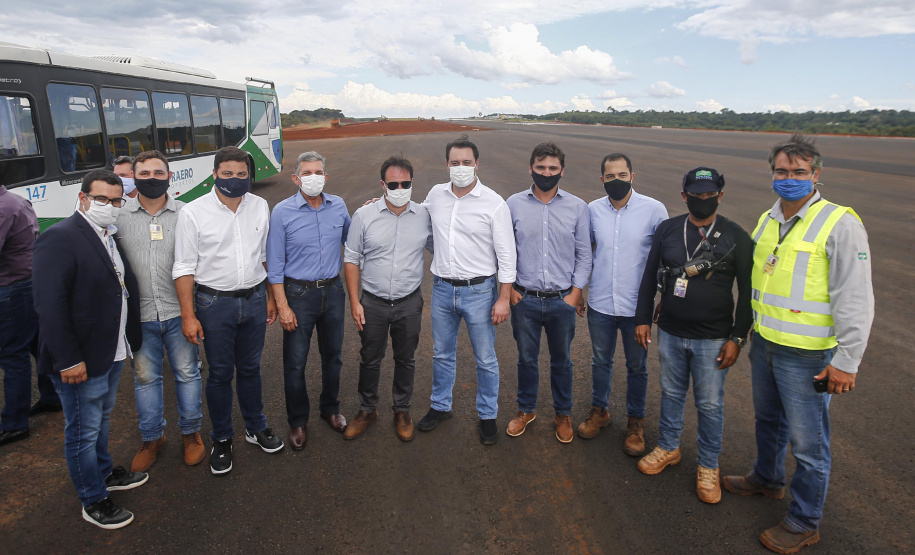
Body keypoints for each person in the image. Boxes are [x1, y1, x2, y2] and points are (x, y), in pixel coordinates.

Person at [722, 134, 874, 553]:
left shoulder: (840, 223)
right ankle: (766, 479)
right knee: (767, 422)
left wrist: (847, 361)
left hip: (807, 354)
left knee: (809, 444)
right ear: (772, 173)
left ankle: (805, 520)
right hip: (767, 343)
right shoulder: (768, 220)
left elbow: (856, 296)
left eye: (799, 172)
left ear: (816, 175)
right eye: (782, 171)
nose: (790, 178)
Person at [32, 169, 148, 529]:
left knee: (100, 420)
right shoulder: (61, 238)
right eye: (102, 200)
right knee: (82, 429)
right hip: (80, 358)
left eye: (116, 201)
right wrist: (68, 359)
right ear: (82, 199)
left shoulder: (108, 235)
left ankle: (102, 472)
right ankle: (93, 499)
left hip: (111, 350)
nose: (110, 207)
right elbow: (50, 306)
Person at [634, 167, 753, 504]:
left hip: (714, 338)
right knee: (671, 393)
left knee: (711, 405)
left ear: (720, 194)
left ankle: (708, 466)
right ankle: (668, 447)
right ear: (684, 195)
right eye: (696, 195)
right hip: (671, 331)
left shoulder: (736, 236)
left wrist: (737, 337)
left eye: (709, 194)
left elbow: (748, 292)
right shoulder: (668, 230)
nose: (703, 200)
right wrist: (643, 318)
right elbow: (648, 277)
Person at [173, 146, 282, 476]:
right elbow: (184, 267)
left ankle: (255, 426)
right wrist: (188, 315)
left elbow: (265, 254)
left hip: (252, 298)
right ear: (214, 174)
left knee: (250, 368)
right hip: (212, 303)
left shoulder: (260, 206)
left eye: (241, 174)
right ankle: (222, 438)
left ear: (249, 175)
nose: (235, 179)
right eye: (227, 174)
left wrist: (271, 297)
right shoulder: (192, 213)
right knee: (220, 374)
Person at [418, 134, 516, 445]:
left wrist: (503, 298)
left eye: (467, 163)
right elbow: (415, 216)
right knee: (442, 353)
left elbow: (507, 255)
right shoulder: (436, 194)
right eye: (455, 162)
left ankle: (487, 415)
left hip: (479, 292)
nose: (461, 167)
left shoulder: (494, 203)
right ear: (446, 164)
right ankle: (440, 405)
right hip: (443, 289)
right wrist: (380, 202)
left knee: (485, 358)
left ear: (477, 165)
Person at [114, 150, 204, 472]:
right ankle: (152, 439)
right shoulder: (118, 216)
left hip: (179, 311)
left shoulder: (187, 214)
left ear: (169, 175)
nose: (152, 178)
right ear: (134, 177)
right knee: (146, 379)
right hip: (139, 317)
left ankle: (191, 434)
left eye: (158, 173)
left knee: (187, 373)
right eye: (145, 173)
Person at [579, 153, 667, 456]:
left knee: (637, 367)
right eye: (610, 176)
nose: (616, 181)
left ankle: (635, 421)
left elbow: (663, 260)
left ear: (633, 176)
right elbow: (585, 252)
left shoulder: (654, 211)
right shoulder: (591, 211)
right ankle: (599, 412)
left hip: (636, 309)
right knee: (600, 361)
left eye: (622, 175)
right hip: (601, 303)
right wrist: (578, 290)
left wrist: (663, 297)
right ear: (602, 178)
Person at [505, 142, 591, 443]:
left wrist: (575, 294)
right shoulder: (513, 204)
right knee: (526, 359)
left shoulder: (578, 207)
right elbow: (504, 251)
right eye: (541, 168)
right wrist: (511, 291)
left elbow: (584, 255)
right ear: (531, 168)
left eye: (553, 168)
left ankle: (562, 414)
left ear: (562, 171)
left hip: (561, 300)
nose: (546, 173)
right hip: (524, 299)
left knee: (562, 361)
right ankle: (525, 410)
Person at [342, 155, 432, 442]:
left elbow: (446, 245)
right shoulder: (363, 215)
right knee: (370, 358)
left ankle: (402, 410)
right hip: (373, 302)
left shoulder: (424, 217)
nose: (400, 187)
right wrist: (355, 301)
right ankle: (367, 409)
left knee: (406, 359)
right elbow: (352, 258)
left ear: (412, 183)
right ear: (383, 184)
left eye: (405, 183)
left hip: (408, 302)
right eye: (393, 183)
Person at [266, 151, 351, 450]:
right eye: (307, 173)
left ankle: (331, 409)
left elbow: (352, 241)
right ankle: (298, 421)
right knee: (295, 362)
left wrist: (371, 211)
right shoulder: (282, 212)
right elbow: (274, 263)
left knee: (334, 356)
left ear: (326, 177)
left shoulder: (338, 205)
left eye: (318, 172)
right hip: (298, 295)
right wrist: (282, 305)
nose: (313, 177)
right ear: (296, 178)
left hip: (333, 290)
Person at [0, 184, 60, 448]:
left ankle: (14, 423)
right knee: (38, 344)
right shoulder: (16, 201)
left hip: (11, 288)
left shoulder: (3, 208)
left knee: (13, 355)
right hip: (27, 283)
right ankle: (52, 396)